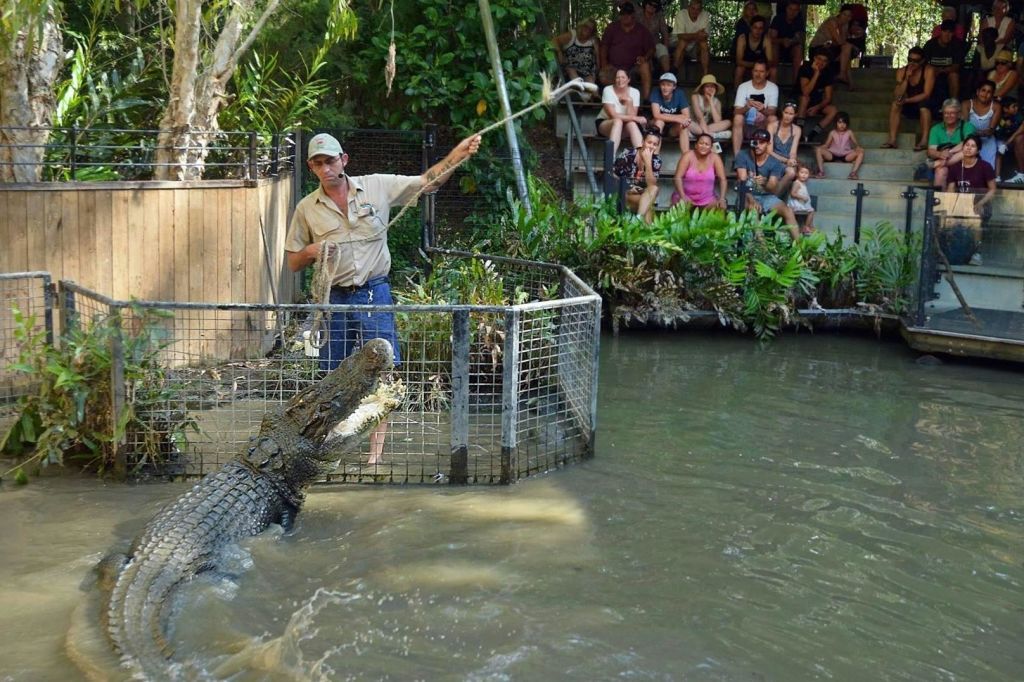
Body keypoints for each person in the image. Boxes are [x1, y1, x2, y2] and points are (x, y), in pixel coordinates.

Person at [285, 132, 481, 464]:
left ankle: (374, 457)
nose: (326, 168)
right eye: (318, 163)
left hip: (374, 292)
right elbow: (293, 261)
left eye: (330, 161)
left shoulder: (376, 186)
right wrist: (313, 251)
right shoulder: (307, 209)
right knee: (331, 376)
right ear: (311, 167)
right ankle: (330, 447)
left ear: (343, 160)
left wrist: (457, 154)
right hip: (334, 297)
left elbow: (427, 182)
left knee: (382, 373)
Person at [736, 128, 800, 240]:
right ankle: (762, 246)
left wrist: (765, 183)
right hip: (746, 195)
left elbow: (773, 189)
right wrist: (752, 199)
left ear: (768, 144)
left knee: (788, 211)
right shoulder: (743, 155)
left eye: (762, 143)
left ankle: (800, 247)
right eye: (755, 142)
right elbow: (742, 182)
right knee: (754, 209)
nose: (758, 145)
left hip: (767, 196)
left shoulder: (774, 162)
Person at [945, 134, 996, 265]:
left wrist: (980, 203)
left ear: (978, 151)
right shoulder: (955, 167)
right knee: (945, 217)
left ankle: (977, 253)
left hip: (980, 204)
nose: (968, 148)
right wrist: (950, 208)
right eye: (967, 145)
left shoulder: (985, 166)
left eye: (973, 146)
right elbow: (950, 190)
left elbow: (992, 190)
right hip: (961, 204)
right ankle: (949, 250)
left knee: (975, 217)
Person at [599, 2, 656, 100]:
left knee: (645, 65)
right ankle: (616, 99)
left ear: (633, 15)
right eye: (622, 14)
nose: (625, 16)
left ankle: (647, 99)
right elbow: (604, 47)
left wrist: (645, 58)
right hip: (614, 67)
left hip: (634, 67)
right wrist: (604, 64)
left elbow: (652, 49)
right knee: (603, 76)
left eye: (628, 14)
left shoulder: (642, 30)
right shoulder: (612, 28)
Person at [884, 46, 936, 150]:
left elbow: (926, 94)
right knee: (895, 104)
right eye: (910, 60)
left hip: (924, 103)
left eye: (916, 61)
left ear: (922, 61)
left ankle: (924, 140)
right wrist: (906, 79)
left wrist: (907, 100)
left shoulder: (928, 70)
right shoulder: (902, 71)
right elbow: (898, 94)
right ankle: (892, 140)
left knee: (924, 106)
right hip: (908, 104)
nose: (912, 63)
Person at [731, 59, 779, 157]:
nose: (758, 74)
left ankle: (769, 155)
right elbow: (736, 111)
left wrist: (763, 110)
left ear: (767, 73)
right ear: (752, 72)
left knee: (773, 119)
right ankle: (737, 157)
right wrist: (746, 107)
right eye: (756, 71)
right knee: (738, 118)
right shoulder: (743, 86)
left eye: (761, 71)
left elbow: (773, 112)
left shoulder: (773, 87)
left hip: (763, 126)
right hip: (746, 127)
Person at [617, 127, 663, 223]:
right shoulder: (628, 154)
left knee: (654, 189)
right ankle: (643, 227)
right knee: (648, 207)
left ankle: (638, 219)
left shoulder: (656, 161)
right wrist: (629, 188)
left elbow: (651, 185)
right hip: (625, 194)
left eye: (655, 144)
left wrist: (648, 163)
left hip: (642, 196)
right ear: (642, 142)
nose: (651, 146)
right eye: (649, 142)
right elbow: (613, 174)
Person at [927, 98, 976, 188]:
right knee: (940, 171)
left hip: (964, 163)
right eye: (946, 113)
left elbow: (968, 144)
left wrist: (949, 152)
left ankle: (937, 163)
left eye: (952, 113)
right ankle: (939, 197)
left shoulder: (968, 126)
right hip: (944, 160)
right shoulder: (936, 129)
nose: (948, 116)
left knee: (966, 151)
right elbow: (931, 151)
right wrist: (940, 154)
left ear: (959, 114)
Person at [672, 132, 728, 209]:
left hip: (708, 200)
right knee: (679, 205)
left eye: (707, 144)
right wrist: (683, 196)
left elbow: (723, 179)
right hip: (686, 196)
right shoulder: (687, 156)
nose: (703, 146)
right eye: (701, 143)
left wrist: (722, 198)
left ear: (711, 147)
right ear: (696, 145)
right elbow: (678, 177)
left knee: (721, 207)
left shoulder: (715, 158)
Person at [597, 68, 647, 155]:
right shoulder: (608, 90)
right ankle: (610, 158)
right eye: (618, 77)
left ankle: (642, 158)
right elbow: (613, 115)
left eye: (623, 77)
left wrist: (630, 102)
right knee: (618, 121)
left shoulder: (635, 92)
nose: (620, 80)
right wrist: (636, 118)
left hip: (625, 126)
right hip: (606, 123)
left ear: (628, 79)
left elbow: (632, 116)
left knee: (632, 124)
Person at [793, 48, 838, 142]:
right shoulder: (805, 67)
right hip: (799, 100)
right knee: (805, 98)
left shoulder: (829, 72)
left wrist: (817, 107)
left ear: (827, 63)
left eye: (824, 61)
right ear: (814, 58)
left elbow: (828, 98)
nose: (821, 62)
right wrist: (816, 73)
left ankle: (811, 135)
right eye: (819, 59)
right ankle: (799, 133)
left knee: (833, 110)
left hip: (816, 101)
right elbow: (805, 92)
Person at [809, 4, 856, 89]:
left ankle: (848, 80)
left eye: (849, 16)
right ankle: (844, 76)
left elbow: (842, 44)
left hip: (831, 48)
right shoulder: (832, 21)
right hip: (817, 49)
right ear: (840, 13)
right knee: (847, 48)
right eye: (844, 14)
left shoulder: (845, 25)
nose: (846, 17)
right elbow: (839, 41)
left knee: (847, 51)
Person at [924, 20, 966, 107]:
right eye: (945, 31)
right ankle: (926, 104)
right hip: (933, 73)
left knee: (954, 76)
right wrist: (933, 71)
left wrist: (941, 70)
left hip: (948, 73)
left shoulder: (957, 45)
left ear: (953, 34)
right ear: (941, 32)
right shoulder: (930, 45)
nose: (947, 35)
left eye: (950, 32)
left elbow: (956, 66)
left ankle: (953, 105)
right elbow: (924, 63)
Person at [552, 17, 600, 90]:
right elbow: (554, 40)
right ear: (581, 26)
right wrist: (559, 52)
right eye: (586, 26)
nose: (587, 29)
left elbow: (597, 57)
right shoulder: (572, 35)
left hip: (587, 71)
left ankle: (594, 95)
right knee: (572, 71)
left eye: (591, 29)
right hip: (571, 67)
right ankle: (579, 89)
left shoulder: (593, 40)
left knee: (591, 85)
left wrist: (598, 70)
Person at [962, 80, 1002, 167]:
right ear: (977, 91)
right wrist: (972, 135)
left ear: (992, 94)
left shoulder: (996, 106)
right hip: (969, 140)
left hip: (987, 140)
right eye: (983, 90)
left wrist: (976, 133)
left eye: (989, 92)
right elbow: (965, 126)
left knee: (988, 168)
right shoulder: (967, 104)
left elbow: (991, 130)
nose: (985, 94)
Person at [814, 111, 864, 179]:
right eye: (839, 122)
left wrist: (858, 147)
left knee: (861, 152)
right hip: (832, 155)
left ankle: (853, 173)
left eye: (844, 123)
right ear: (836, 123)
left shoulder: (849, 132)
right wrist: (819, 148)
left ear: (847, 124)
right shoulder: (832, 132)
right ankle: (821, 172)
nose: (842, 125)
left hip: (846, 155)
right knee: (819, 150)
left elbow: (856, 144)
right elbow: (826, 145)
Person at [650, 72, 692, 152]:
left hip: (672, 129)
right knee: (659, 121)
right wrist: (678, 118)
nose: (665, 87)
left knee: (683, 125)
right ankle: (655, 156)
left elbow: (686, 116)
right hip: (657, 126)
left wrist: (665, 115)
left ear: (674, 86)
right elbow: (656, 115)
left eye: (668, 85)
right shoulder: (656, 91)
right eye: (663, 84)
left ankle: (686, 156)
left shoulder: (679, 93)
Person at [767, 101, 802, 192]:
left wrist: (792, 160)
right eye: (786, 112)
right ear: (782, 112)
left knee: (791, 172)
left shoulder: (797, 129)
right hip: (773, 159)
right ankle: (773, 196)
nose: (787, 116)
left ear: (795, 115)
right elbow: (769, 151)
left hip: (787, 161)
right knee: (773, 178)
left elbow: (793, 152)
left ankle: (774, 195)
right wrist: (786, 160)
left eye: (791, 114)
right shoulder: (772, 126)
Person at [671, 0, 711, 77]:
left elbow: (704, 36)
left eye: (698, 9)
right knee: (683, 42)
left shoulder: (705, 15)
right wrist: (696, 35)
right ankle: (674, 71)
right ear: (688, 7)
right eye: (693, 8)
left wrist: (689, 36)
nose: (695, 11)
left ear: (701, 10)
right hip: (677, 44)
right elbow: (681, 36)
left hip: (695, 45)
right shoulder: (681, 14)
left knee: (704, 43)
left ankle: (705, 74)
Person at [770, 0, 806, 82]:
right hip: (778, 48)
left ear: (798, 11)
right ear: (786, 9)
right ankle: (773, 82)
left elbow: (799, 38)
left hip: (791, 49)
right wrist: (782, 41)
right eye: (790, 9)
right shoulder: (778, 19)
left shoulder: (799, 21)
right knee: (774, 47)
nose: (792, 12)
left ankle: (796, 85)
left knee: (798, 48)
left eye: (795, 10)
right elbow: (771, 38)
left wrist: (790, 41)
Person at [734, 15, 775, 87]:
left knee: (773, 70)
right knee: (739, 69)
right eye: (755, 27)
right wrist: (754, 65)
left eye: (760, 28)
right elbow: (738, 61)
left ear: (763, 30)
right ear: (751, 27)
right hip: (746, 66)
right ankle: (737, 92)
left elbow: (770, 61)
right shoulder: (742, 38)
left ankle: (771, 92)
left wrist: (760, 67)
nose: (757, 31)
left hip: (762, 66)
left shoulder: (766, 40)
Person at [690, 74, 732, 142]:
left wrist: (711, 101)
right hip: (695, 125)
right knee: (688, 122)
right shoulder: (695, 97)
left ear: (715, 89)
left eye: (712, 86)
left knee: (728, 122)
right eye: (707, 86)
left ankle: (702, 134)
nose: (710, 89)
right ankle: (711, 135)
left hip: (708, 127)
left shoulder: (717, 102)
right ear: (703, 88)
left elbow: (717, 121)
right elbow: (699, 117)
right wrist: (707, 135)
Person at [638, 0, 674, 75]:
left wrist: (666, 47)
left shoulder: (659, 16)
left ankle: (667, 75)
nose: (652, 7)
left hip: (655, 43)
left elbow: (665, 33)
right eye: (650, 4)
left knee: (662, 50)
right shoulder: (638, 14)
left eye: (655, 6)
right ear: (645, 4)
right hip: (639, 45)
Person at [994, 95, 1024, 180]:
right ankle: (997, 177)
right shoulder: (999, 117)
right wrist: (1002, 145)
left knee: (1018, 139)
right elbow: (998, 133)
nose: (1016, 108)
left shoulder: (1018, 116)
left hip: (1014, 141)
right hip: (1003, 139)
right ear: (1005, 109)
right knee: (999, 152)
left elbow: (1021, 130)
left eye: (1017, 106)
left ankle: (1021, 174)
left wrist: (1006, 143)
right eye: (1013, 106)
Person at [787, 164, 816, 234]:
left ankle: (810, 226)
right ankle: (806, 227)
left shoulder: (802, 183)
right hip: (796, 204)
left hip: (801, 203)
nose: (804, 175)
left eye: (806, 173)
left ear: (809, 175)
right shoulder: (797, 183)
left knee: (810, 209)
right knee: (811, 211)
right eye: (802, 172)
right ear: (797, 174)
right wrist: (802, 197)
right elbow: (793, 193)